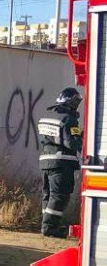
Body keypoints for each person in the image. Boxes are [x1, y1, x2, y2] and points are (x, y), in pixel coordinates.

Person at [38, 86, 83, 238]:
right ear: (71, 102)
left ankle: (47, 225)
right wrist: (82, 137)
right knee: (59, 196)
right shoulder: (69, 119)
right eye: (76, 102)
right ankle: (50, 228)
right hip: (61, 162)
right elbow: (73, 144)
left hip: (45, 161)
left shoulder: (47, 114)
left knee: (48, 195)